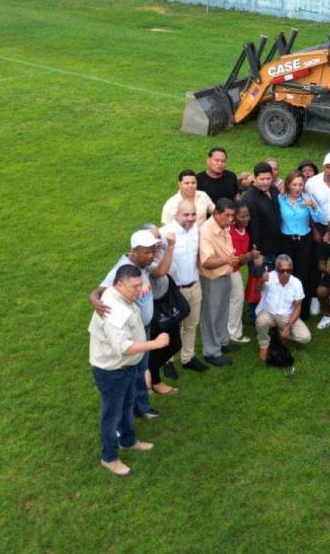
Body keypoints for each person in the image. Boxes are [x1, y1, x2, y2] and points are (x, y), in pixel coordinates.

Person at [88, 264, 169, 476]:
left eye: (139, 286)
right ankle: (110, 458)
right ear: (119, 285)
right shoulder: (114, 310)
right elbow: (123, 347)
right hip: (112, 371)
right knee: (111, 414)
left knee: (127, 405)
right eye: (134, 287)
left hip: (126, 367)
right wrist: (155, 343)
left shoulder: (117, 294)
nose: (138, 291)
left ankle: (128, 441)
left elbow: (98, 291)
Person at [90, 228, 175, 420]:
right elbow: (99, 291)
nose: (152, 255)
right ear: (134, 250)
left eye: (153, 250)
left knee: (139, 369)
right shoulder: (122, 269)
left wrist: (170, 247)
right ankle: (139, 408)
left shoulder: (143, 264)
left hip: (143, 327)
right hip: (131, 332)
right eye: (147, 252)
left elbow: (161, 271)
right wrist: (94, 299)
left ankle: (138, 406)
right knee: (136, 371)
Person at [159, 199, 209, 379]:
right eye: (186, 214)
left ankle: (188, 358)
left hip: (194, 285)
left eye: (193, 214)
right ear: (176, 215)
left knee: (191, 324)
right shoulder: (165, 234)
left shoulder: (195, 229)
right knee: (172, 326)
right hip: (173, 290)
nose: (190, 218)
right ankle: (167, 361)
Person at [198, 198, 241, 367]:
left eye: (233, 215)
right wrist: (227, 260)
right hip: (211, 279)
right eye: (227, 215)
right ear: (216, 213)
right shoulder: (207, 231)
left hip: (224, 275)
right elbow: (206, 262)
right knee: (210, 315)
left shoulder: (223, 225)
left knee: (222, 310)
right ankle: (211, 352)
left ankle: (223, 342)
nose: (231, 220)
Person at [279, 170, 324, 317]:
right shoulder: (280, 199)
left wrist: (314, 206)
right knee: (286, 274)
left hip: (304, 241)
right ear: (288, 185)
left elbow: (321, 217)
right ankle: (285, 308)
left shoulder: (307, 199)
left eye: (300, 185)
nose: (298, 188)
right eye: (294, 185)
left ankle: (302, 311)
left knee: (302, 275)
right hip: (286, 240)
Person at [254, 254, 311, 361]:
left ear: (291, 269)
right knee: (261, 321)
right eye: (281, 270)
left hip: (286, 315)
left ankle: (280, 332)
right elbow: (257, 290)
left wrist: (289, 325)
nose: (285, 273)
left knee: (305, 337)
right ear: (276, 269)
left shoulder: (296, 283)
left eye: (288, 270)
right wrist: (262, 280)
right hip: (268, 312)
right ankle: (264, 345)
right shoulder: (269, 276)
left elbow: (298, 307)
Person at [243, 161, 282, 270]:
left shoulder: (274, 190)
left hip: (277, 247)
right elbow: (251, 228)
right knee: (260, 285)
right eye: (262, 179)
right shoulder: (249, 198)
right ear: (254, 178)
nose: (265, 182)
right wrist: (256, 254)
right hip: (261, 252)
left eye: (268, 179)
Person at [227, 201, 254, 344]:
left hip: (234, 270)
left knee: (234, 299)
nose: (246, 219)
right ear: (234, 217)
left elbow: (241, 259)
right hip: (229, 270)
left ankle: (231, 327)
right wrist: (250, 256)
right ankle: (234, 332)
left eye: (247, 215)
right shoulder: (231, 232)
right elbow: (236, 259)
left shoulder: (244, 231)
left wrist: (247, 256)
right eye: (242, 216)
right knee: (237, 299)